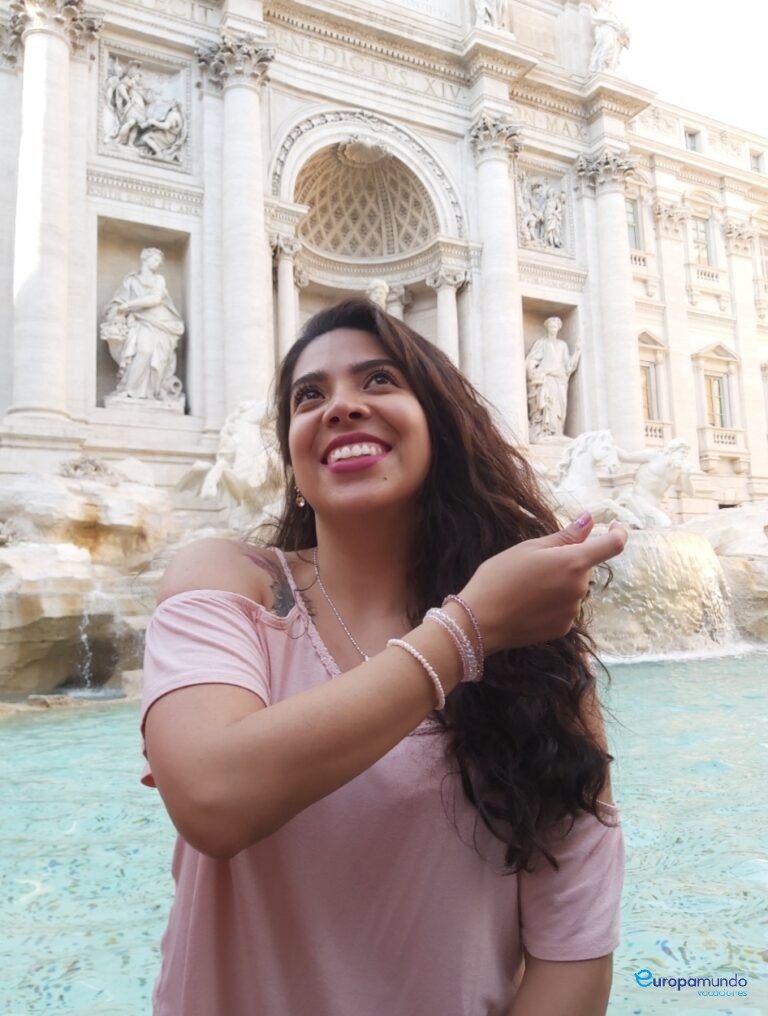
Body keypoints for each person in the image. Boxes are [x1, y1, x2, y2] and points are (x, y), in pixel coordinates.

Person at [140, 298, 628, 1015]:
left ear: (439, 424)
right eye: (311, 395)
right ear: (292, 454)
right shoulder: (228, 581)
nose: (340, 406)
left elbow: (573, 951)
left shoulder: (534, 658)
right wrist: (467, 630)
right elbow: (214, 799)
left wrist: (486, 625)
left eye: (377, 381)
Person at [100, 248, 185, 403]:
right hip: (139, 321)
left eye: (159, 262)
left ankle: (137, 390)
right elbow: (118, 301)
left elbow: (155, 299)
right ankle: (130, 390)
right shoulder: (131, 280)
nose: (157, 264)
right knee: (143, 350)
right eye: (154, 260)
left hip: (160, 322)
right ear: (144, 258)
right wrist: (116, 311)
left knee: (147, 352)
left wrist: (128, 305)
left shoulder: (159, 279)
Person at [525, 316, 581, 441]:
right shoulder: (541, 342)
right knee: (546, 405)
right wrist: (533, 371)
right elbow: (532, 360)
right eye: (551, 326)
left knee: (558, 408)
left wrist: (577, 351)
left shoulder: (562, 345)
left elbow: (568, 366)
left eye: (555, 326)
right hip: (546, 378)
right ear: (547, 328)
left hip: (560, 379)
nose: (553, 329)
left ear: (558, 328)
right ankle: (545, 432)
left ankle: (557, 432)